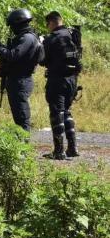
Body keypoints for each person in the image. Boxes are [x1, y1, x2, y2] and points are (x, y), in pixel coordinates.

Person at [0, 9, 43, 132]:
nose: (12, 29)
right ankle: (21, 146)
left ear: (18, 24)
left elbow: (13, 55)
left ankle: (24, 148)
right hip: (16, 80)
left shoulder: (27, 38)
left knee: (22, 117)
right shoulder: (24, 37)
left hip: (21, 80)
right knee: (18, 118)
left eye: (13, 26)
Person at [40, 11, 81, 160]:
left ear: (51, 22)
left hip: (57, 80)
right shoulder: (73, 34)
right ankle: (73, 147)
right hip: (72, 80)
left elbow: (42, 61)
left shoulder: (52, 39)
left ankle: (59, 151)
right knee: (67, 111)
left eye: (47, 24)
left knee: (57, 113)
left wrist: (41, 43)